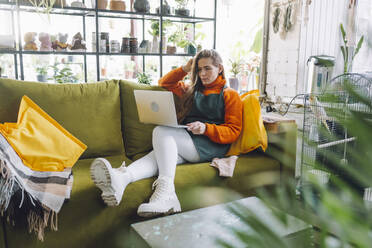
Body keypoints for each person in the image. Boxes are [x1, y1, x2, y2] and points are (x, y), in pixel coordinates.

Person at [90, 49, 243, 217]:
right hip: (187, 140)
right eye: (199, 69)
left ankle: (167, 192)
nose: (203, 73)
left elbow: (233, 131)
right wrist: (185, 68)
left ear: (219, 68)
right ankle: (122, 180)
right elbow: (165, 83)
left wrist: (206, 128)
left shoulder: (230, 94)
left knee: (162, 131)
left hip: (210, 145)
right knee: (160, 155)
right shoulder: (191, 90)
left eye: (207, 68)